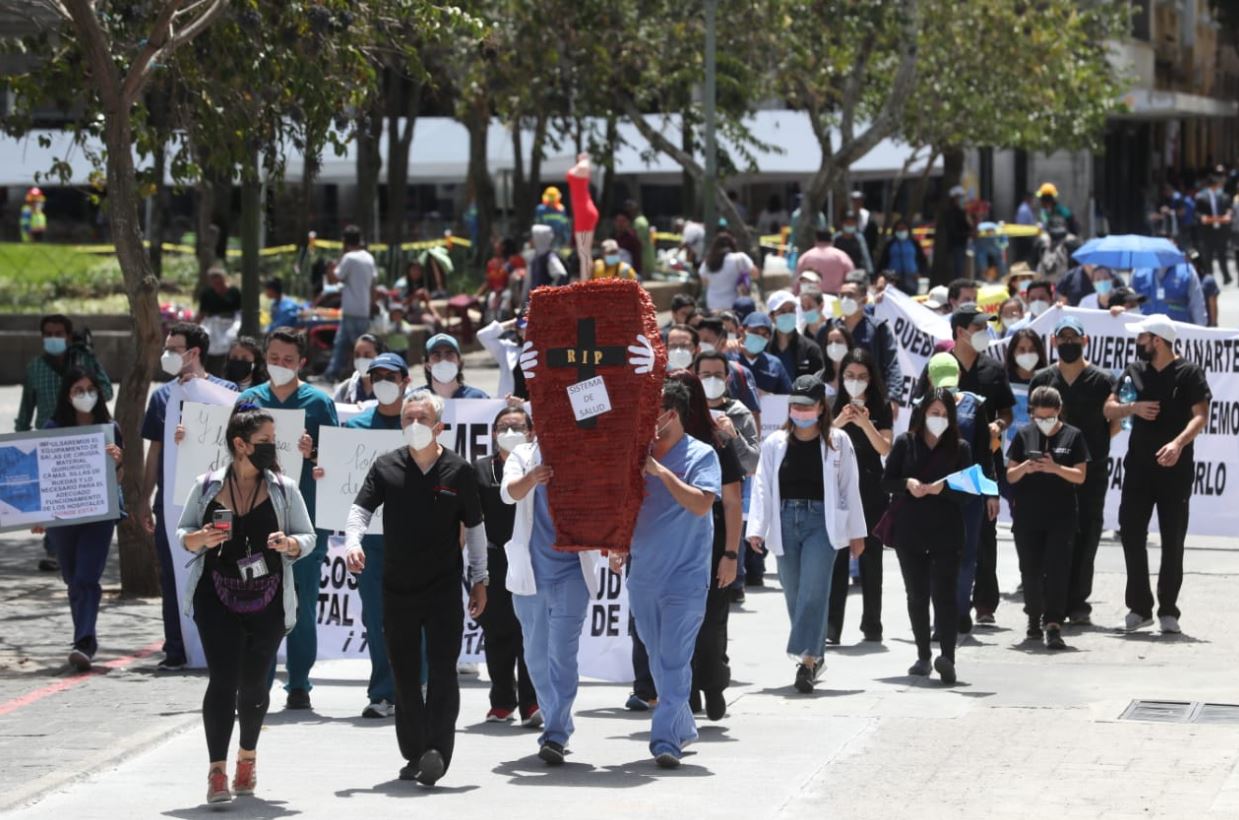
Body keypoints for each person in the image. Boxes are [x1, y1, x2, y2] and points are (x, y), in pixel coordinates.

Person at [344, 391, 488, 785]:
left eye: (422, 418)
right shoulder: (386, 466)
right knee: (405, 675)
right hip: (397, 588)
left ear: (439, 425)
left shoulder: (458, 471)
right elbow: (360, 510)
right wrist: (353, 542)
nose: (414, 425)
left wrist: (480, 578)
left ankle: (437, 750)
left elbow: (475, 529)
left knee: (443, 671)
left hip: (443, 589)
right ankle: (414, 753)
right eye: (408, 419)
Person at [175, 403, 316, 804]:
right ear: (240, 445)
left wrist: (290, 544)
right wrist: (200, 538)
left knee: (254, 682)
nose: (273, 448)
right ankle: (217, 772)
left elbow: (307, 537)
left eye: (274, 441)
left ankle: (247, 758)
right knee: (222, 679)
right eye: (265, 442)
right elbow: (184, 533)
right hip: (216, 594)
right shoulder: (205, 487)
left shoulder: (284, 490)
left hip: (268, 598)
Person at [238, 328, 339, 708]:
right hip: (255, 518)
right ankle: (257, 684)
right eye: (274, 358)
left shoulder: (318, 403)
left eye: (288, 360)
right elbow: (229, 452)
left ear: (302, 363)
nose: (280, 366)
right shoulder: (249, 400)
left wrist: (313, 455)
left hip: (304, 520)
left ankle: (299, 684)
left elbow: (337, 461)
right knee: (257, 603)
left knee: (301, 605)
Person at [747, 375, 866, 691]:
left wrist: (857, 533)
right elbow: (761, 486)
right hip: (785, 521)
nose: (800, 411)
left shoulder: (838, 441)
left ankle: (807, 661)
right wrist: (757, 528)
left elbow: (849, 487)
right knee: (794, 592)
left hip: (821, 523)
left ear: (821, 408)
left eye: (806, 405)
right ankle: (813, 654)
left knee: (814, 590)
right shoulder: (775, 443)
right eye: (794, 406)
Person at [624, 380, 721, 768]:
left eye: (651, 410)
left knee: (674, 658)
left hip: (686, 576)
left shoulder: (702, 455)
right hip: (644, 575)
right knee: (655, 654)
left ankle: (665, 740)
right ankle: (682, 722)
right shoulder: (634, 454)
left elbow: (700, 504)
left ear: (671, 415)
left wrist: (661, 472)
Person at [500, 408, 603, 763]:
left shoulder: (584, 454)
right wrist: (532, 478)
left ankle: (555, 732)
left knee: (562, 654)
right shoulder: (522, 456)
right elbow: (508, 493)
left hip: (572, 572)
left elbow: (603, 500)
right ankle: (556, 715)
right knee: (535, 658)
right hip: (531, 574)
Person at [312, 353, 410, 718]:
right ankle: (383, 692)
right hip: (370, 540)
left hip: (414, 540)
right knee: (377, 617)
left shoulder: (416, 425)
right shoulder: (354, 429)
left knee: (416, 617)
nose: (383, 381)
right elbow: (339, 479)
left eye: (390, 375)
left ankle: (419, 685)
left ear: (405, 380)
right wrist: (324, 473)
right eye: (376, 376)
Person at [141, 322, 238, 672]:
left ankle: (221, 645)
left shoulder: (226, 393)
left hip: (218, 502)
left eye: (174, 348)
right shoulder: (162, 397)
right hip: (172, 503)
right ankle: (177, 647)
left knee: (222, 570)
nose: (167, 354)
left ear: (194, 352)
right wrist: (145, 499)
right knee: (173, 575)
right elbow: (154, 452)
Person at [1106, 314, 1210, 634]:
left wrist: (1178, 444)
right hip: (1138, 468)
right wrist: (1132, 409)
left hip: (1175, 471)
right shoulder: (1134, 372)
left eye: (1142, 338)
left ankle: (1168, 610)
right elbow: (1110, 407)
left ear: (1158, 341)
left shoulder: (1189, 373)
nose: (1137, 343)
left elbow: (1201, 416)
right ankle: (1140, 607)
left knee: (1173, 539)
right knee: (1132, 533)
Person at [912, 304, 1012, 626]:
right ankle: (950, 607)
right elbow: (916, 417)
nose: (985, 332)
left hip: (981, 467)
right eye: (979, 326)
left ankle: (983, 604)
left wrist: (999, 425)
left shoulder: (994, 370)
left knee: (982, 538)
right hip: (936, 475)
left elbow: (1007, 411)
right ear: (960, 332)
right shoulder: (938, 367)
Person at [881, 388, 974, 684]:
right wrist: (906, 483)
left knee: (944, 595)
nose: (939, 419)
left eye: (945, 414)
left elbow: (968, 492)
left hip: (946, 531)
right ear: (922, 414)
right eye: (934, 413)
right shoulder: (905, 443)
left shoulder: (960, 448)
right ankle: (922, 655)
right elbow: (886, 483)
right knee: (917, 594)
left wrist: (942, 489)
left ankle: (947, 656)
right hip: (911, 531)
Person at [1029, 317, 1117, 625]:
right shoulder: (1042, 379)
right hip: (1049, 471)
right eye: (1062, 338)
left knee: (1087, 533)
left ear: (1085, 341)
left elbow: (1114, 424)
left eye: (1074, 338)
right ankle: (1050, 601)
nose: (1068, 343)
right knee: (1049, 536)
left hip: (1091, 471)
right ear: (1053, 342)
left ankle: (1078, 601)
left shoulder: (1103, 380)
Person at [665, 371, 743, 722]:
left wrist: (730, 554)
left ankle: (713, 685)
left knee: (711, 623)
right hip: (668, 544)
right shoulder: (656, 446)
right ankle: (686, 691)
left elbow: (732, 503)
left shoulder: (717, 445)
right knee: (675, 625)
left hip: (711, 544)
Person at [40, 368, 124, 671]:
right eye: (78, 389)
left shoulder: (110, 427)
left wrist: (117, 462)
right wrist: (39, 514)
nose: (85, 395)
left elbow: (120, 478)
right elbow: (44, 475)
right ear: (67, 395)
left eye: (90, 389)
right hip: (63, 518)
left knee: (87, 577)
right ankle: (82, 636)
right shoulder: (52, 427)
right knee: (73, 579)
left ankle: (84, 641)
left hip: (98, 516)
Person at [470, 406, 543, 728]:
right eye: (503, 426)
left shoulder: (540, 466)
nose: (510, 432)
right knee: (498, 633)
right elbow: (471, 520)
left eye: (517, 426)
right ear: (493, 433)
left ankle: (532, 702)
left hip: (532, 555)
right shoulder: (479, 470)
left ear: (531, 432)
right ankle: (501, 701)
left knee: (531, 631)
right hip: (494, 558)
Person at [1006, 386, 1090, 650]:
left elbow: (1080, 475)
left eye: (1049, 417)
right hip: (1028, 516)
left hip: (1061, 516)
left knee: (1056, 571)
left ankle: (1054, 623)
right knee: (1030, 571)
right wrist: (1025, 467)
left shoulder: (1073, 436)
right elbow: (1010, 475)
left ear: (1058, 411)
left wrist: (1054, 468)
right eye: (1039, 418)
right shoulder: (1023, 435)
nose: (1044, 423)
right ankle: (1033, 616)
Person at [827, 351, 892, 643]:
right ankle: (831, 627)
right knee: (837, 558)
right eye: (850, 376)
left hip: (871, 488)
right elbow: (819, 439)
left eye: (862, 377)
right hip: (838, 487)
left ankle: (872, 623)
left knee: (871, 559)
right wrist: (840, 419)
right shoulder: (830, 405)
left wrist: (866, 423)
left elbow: (885, 448)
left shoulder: (882, 405)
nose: (856, 382)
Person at [17, 314, 114, 435]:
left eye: (58, 334)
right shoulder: (34, 368)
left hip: (86, 433)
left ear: (68, 336)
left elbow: (107, 392)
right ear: (42, 336)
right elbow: (25, 411)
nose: (53, 338)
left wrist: (83, 393)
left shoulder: (84, 358)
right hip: (48, 437)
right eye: (48, 334)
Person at [832, 275, 902, 411]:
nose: (845, 299)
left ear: (864, 300)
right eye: (842, 295)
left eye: (850, 295)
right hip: (836, 399)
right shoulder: (830, 328)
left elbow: (892, 365)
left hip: (871, 400)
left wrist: (893, 398)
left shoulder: (878, 329)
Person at [324, 226, 378, 383]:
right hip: (363, 309)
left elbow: (335, 278)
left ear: (344, 241)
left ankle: (338, 373)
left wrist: (330, 268)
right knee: (353, 344)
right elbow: (373, 285)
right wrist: (372, 304)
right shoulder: (368, 258)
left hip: (350, 309)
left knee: (346, 345)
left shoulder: (349, 258)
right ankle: (336, 373)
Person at [1003, 328, 1048, 449]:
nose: (1027, 354)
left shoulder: (1048, 380)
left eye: (1032, 350)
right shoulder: (1001, 379)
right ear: (1013, 351)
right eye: (1022, 350)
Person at [766, 290, 824, 379]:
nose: (788, 315)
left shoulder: (811, 349)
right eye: (782, 311)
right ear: (772, 316)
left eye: (791, 310)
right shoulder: (764, 349)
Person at [196, 267, 242, 377]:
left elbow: (239, 312)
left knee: (230, 340)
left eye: (219, 281)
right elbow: (202, 313)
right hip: (212, 324)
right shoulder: (207, 294)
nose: (217, 285)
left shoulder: (234, 292)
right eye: (214, 282)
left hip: (229, 323)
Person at [1129, 262, 1206, 326]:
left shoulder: (1187, 271)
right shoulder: (1138, 271)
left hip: (1177, 337)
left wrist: (1201, 333)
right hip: (1146, 336)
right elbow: (1129, 305)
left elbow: (1198, 307)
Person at [736, 312, 794, 395]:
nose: (759, 337)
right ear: (741, 331)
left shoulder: (775, 364)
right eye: (755, 332)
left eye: (764, 335)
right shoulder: (729, 361)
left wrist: (769, 396)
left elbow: (787, 397)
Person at [422, 333, 490, 399]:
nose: (443, 360)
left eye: (449, 354)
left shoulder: (478, 399)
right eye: (437, 355)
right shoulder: (416, 401)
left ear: (459, 363)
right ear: (428, 366)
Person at [699, 233, 754, 311]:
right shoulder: (739, 258)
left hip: (712, 303)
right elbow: (755, 273)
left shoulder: (708, 261)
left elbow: (704, 282)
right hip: (732, 302)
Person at [1195, 171, 1232, 285]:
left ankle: (1226, 277)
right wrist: (1203, 217)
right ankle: (1209, 277)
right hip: (1207, 231)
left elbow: (1228, 209)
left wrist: (1228, 215)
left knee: (1222, 254)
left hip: (1221, 230)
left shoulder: (1223, 196)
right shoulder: (1201, 197)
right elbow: (1197, 213)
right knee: (1208, 255)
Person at [877, 219, 927, 295]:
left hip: (911, 278)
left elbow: (922, 260)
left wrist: (921, 273)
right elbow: (883, 261)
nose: (901, 231)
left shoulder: (914, 243)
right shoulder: (890, 244)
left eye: (903, 229)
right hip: (894, 279)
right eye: (899, 229)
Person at [795, 229, 854, 294]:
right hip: (835, 299)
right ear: (832, 240)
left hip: (813, 299)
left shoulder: (806, 256)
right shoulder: (841, 256)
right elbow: (851, 276)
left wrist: (795, 296)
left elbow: (797, 280)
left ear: (816, 239)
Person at [332, 333, 386, 404]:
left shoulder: (394, 389)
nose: (361, 360)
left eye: (367, 356)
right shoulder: (344, 390)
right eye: (357, 355)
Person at [815, 323, 856, 404]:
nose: (834, 345)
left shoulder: (858, 374)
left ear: (848, 344)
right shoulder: (818, 377)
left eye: (838, 341)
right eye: (830, 342)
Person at [940, 185, 973, 279]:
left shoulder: (963, 212)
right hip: (956, 246)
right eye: (960, 197)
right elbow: (953, 231)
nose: (962, 200)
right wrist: (967, 234)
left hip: (964, 244)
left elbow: (968, 226)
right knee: (958, 270)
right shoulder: (950, 213)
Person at [526, 224, 568, 294]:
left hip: (543, 302)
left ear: (539, 238)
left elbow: (561, 275)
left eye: (533, 237)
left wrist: (549, 293)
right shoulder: (534, 258)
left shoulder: (550, 257)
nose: (530, 240)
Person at [834, 211, 873, 275]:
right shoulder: (836, 238)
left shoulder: (859, 238)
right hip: (838, 273)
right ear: (842, 224)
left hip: (856, 273)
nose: (850, 225)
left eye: (852, 223)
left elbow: (866, 256)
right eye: (848, 223)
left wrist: (870, 272)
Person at [627, 200, 657, 278]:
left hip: (644, 257)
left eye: (630, 209)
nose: (629, 212)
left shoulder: (639, 222)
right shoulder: (641, 220)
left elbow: (640, 241)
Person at [612, 209, 644, 277]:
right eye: (618, 221)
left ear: (628, 222)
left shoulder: (632, 238)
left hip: (630, 275)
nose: (620, 224)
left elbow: (637, 261)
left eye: (623, 221)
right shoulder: (613, 238)